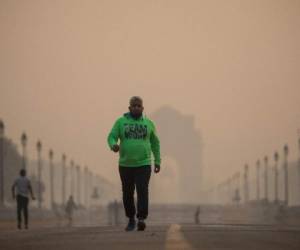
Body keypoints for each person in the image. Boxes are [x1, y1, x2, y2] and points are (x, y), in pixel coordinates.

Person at [108, 96, 161, 231]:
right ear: (129, 108)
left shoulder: (149, 123)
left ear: (143, 108)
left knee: (142, 190)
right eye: (134, 105)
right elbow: (111, 136)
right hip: (125, 165)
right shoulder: (120, 122)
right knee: (127, 192)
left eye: (139, 105)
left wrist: (158, 161)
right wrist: (113, 145)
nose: (136, 107)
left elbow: (155, 143)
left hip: (143, 164)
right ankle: (131, 218)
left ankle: (141, 218)